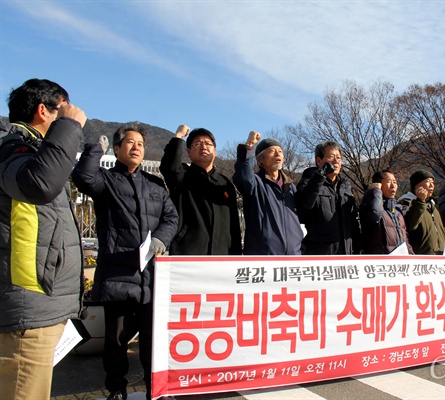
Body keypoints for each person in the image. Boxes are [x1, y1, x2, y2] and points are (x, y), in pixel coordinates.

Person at [72, 124, 178, 400]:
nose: (136, 147)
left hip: (151, 275)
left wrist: (162, 239)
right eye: (129, 143)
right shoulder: (106, 180)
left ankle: (154, 388)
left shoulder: (155, 184)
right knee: (117, 340)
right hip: (118, 273)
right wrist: (95, 149)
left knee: (151, 340)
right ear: (117, 149)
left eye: (140, 144)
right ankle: (116, 389)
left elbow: (171, 217)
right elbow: (82, 178)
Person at [0, 79, 87, 400]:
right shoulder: (12, 145)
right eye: (61, 109)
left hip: (37, 308)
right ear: (43, 110)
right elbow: (39, 184)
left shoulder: (35, 151)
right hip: (26, 309)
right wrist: (68, 125)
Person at [160, 124, 241, 255]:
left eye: (208, 144)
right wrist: (178, 137)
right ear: (188, 152)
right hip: (188, 254)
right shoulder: (182, 176)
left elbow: (234, 225)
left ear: (215, 151)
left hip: (222, 255)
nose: (204, 147)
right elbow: (169, 166)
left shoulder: (224, 183)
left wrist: (236, 255)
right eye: (197, 144)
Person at [233, 131, 303, 255]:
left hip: (293, 257)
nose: (278, 153)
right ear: (260, 160)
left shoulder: (290, 186)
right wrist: (249, 146)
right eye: (272, 151)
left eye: (280, 151)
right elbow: (243, 178)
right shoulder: (256, 183)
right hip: (264, 258)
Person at [296, 141, 359, 254]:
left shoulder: (345, 186)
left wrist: (358, 247)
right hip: (320, 253)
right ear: (319, 161)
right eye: (331, 157)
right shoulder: (308, 181)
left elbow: (353, 221)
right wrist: (320, 175)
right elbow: (305, 205)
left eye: (339, 158)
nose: (336, 161)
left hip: (346, 251)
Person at [403, 169, 445, 257]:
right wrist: (420, 201)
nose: (432, 185)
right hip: (422, 259)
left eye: (433, 182)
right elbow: (410, 225)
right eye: (428, 182)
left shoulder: (433, 205)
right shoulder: (406, 202)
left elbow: (441, 231)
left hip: (440, 256)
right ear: (416, 185)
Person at [360, 170, 413, 254]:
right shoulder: (369, 205)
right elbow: (375, 215)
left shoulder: (398, 211)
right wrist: (376, 191)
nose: (393, 186)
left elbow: (405, 240)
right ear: (379, 185)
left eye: (395, 182)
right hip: (381, 263)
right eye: (388, 182)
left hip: (400, 262)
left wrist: (412, 256)